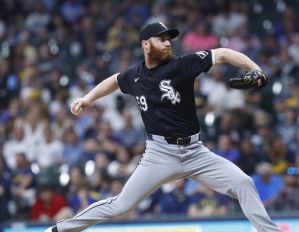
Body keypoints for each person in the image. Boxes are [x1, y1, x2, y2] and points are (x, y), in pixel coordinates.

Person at [46, 22, 280, 232]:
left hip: (195, 152)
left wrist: (255, 69)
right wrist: (87, 99)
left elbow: (223, 53)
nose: (168, 43)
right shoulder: (135, 76)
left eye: (170, 39)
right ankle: (59, 230)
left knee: (243, 183)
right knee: (120, 205)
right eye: (162, 39)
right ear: (146, 45)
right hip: (159, 154)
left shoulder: (182, 65)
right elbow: (114, 80)